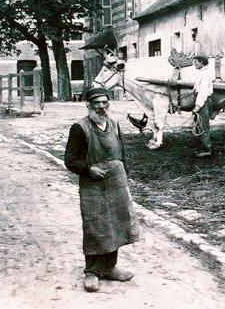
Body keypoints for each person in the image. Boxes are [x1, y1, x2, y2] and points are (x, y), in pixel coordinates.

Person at [64, 86, 139, 293]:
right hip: (93, 184)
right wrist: (88, 169)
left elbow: (121, 152)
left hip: (116, 182)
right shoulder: (79, 128)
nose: (101, 106)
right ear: (89, 105)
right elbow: (70, 160)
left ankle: (109, 267)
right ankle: (92, 272)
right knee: (96, 224)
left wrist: (125, 175)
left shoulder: (114, 124)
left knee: (117, 223)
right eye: (96, 103)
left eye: (104, 102)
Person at [191, 54, 215, 158]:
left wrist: (198, 105)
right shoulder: (202, 73)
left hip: (203, 102)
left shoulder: (205, 74)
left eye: (195, 62)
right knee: (199, 125)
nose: (194, 64)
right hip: (201, 100)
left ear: (201, 62)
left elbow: (203, 91)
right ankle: (202, 147)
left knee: (203, 125)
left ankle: (207, 149)